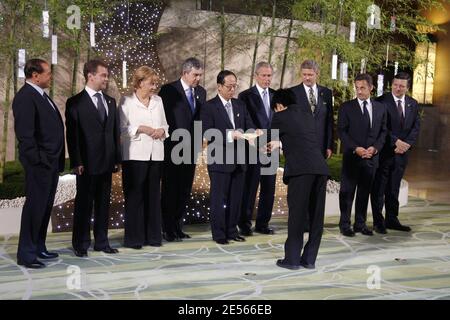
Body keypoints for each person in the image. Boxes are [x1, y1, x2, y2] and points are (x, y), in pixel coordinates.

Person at [266, 89, 329, 270]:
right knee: (317, 218)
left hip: (301, 172)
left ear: (279, 105)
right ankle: (309, 260)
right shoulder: (306, 114)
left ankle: (292, 260)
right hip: (320, 169)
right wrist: (282, 143)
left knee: (297, 216)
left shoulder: (280, 116)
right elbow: (300, 138)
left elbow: (267, 138)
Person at [66, 59, 121, 257]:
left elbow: (114, 133)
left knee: (103, 204)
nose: (106, 79)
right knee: (84, 205)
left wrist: (117, 159)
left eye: (107, 75)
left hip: (107, 162)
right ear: (91, 76)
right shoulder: (75, 102)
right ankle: (80, 244)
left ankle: (102, 242)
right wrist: (77, 161)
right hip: (86, 164)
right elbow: (72, 136)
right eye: (103, 75)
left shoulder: (110, 101)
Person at [13, 59, 65, 268]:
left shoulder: (41, 95)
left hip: (49, 163)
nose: (50, 76)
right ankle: (26, 254)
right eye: (48, 72)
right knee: (35, 207)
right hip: (40, 165)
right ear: (35, 75)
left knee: (44, 208)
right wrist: (38, 160)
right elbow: (26, 136)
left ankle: (38, 247)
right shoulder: (26, 97)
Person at [201, 70, 259, 244]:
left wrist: (254, 132)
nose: (232, 89)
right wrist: (229, 135)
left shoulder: (240, 105)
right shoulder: (209, 106)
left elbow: (248, 125)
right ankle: (219, 234)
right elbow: (207, 132)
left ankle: (232, 231)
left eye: (235, 86)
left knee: (236, 198)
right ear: (219, 86)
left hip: (239, 159)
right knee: (219, 199)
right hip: (219, 159)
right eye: (229, 86)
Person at [119, 66, 168, 249]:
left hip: (156, 154)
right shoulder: (127, 101)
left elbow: (165, 124)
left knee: (153, 196)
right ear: (140, 82)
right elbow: (122, 128)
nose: (154, 86)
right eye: (151, 83)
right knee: (135, 197)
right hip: (134, 156)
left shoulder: (158, 100)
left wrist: (162, 130)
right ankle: (134, 239)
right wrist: (141, 128)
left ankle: (153, 237)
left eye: (156, 83)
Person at [159, 58, 207, 242]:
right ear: (185, 73)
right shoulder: (168, 90)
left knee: (185, 189)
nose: (198, 78)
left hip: (192, 148)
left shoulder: (201, 92)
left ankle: (178, 227)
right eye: (195, 75)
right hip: (172, 148)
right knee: (170, 189)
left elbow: (200, 118)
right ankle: (167, 228)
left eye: (200, 75)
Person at [338, 73, 387, 237]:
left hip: (371, 157)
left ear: (371, 88)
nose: (359, 91)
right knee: (347, 192)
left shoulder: (380, 108)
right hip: (352, 156)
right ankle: (345, 224)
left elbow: (383, 132)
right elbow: (342, 132)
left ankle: (360, 224)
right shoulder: (346, 107)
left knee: (364, 192)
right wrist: (356, 148)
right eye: (357, 88)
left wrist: (375, 148)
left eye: (363, 88)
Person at [371, 72, 420, 233]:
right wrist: (395, 142)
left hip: (402, 154)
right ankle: (378, 221)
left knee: (394, 188)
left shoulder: (413, 103)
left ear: (407, 87)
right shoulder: (380, 101)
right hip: (385, 152)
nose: (398, 88)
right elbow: (380, 126)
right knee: (379, 188)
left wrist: (406, 144)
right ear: (391, 84)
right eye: (396, 85)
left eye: (402, 86)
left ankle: (392, 219)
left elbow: (415, 127)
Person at [289, 60, 334, 232]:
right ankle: (303, 223)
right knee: (303, 187)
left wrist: (329, 144)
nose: (307, 78)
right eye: (304, 74)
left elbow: (329, 121)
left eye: (310, 74)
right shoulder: (293, 93)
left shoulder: (326, 93)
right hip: (301, 149)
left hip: (320, 148)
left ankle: (316, 223)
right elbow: (290, 122)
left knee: (318, 187)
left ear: (317, 74)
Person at [238, 62, 276, 236]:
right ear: (256, 75)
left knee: (269, 188)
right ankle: (244, 224)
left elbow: (279, 121)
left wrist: (275, 142)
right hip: (253, 148)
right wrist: (257, 142)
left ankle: (263, 223)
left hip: (271, 148)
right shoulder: (245, 96)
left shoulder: (277, 95)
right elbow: (245, 123)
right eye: (264, 75)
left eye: (269, 76)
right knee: (249, 187)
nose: (267, 79)